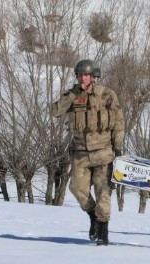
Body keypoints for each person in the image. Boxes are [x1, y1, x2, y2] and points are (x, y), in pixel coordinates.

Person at [50, 59, 125, 246]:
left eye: (86, 75)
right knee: (77, 189)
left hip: (103, 151)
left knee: (103, 192)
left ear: (93, 77)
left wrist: (118, 149)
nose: (83, 78)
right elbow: (55, 111)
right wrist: (72, 94)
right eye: (80, 75)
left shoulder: (107, 94)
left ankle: (103, 232)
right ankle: (92, 215)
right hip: (80, 153)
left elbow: (118, 122)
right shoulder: (73, 95)